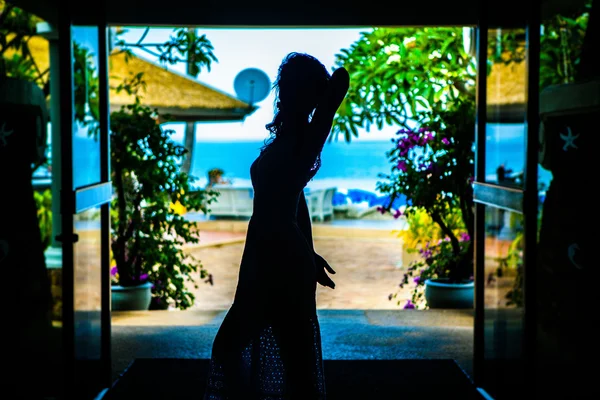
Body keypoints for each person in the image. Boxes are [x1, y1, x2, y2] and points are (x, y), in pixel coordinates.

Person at [203, 53, 350, 399]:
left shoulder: (310, 135)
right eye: (282, 85)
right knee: (255, 346)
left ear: (301, 90)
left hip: (280, 256)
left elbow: (341, 79)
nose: (281, 92)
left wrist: (320, 92)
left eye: (287, 85)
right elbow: (294, 200)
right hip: (266, 253)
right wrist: (310, 251)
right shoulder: (287, 139)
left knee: (284, 351)